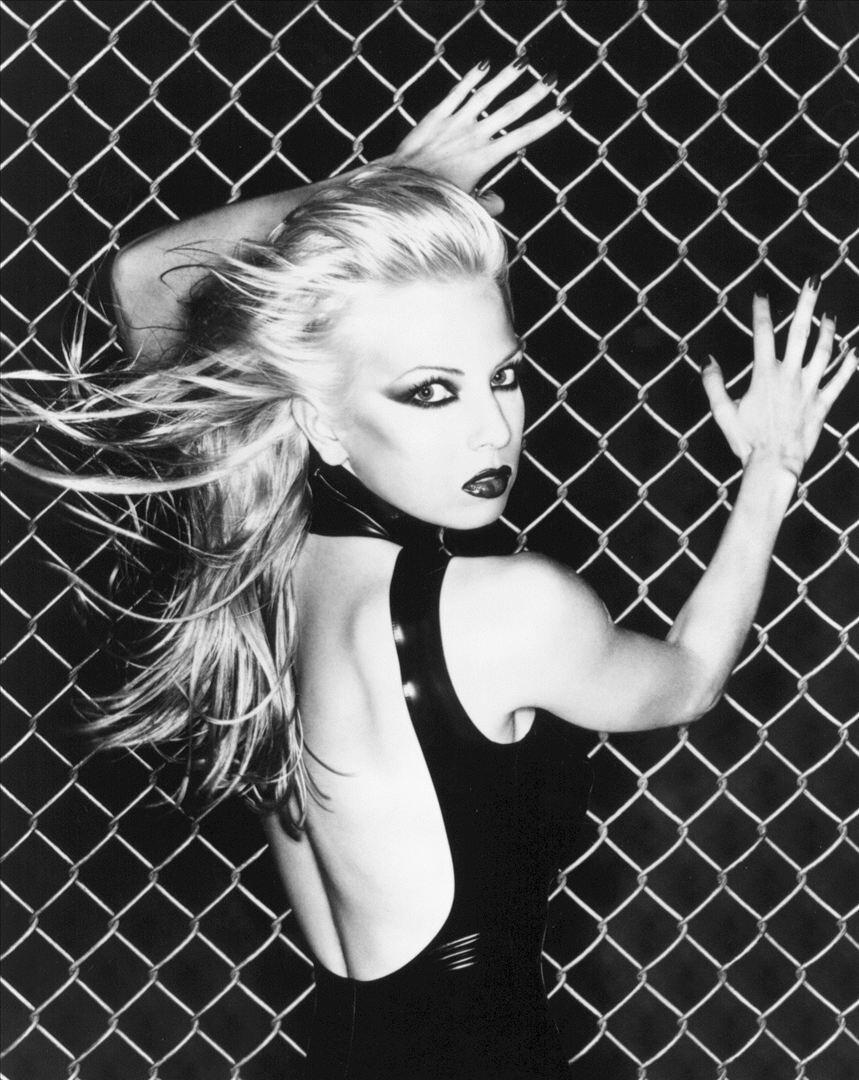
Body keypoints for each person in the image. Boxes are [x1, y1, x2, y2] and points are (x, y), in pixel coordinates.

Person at [3, 61, 855, 1080]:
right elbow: (687, 680)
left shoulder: (254, 552)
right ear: (320, 420)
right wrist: (769, 471)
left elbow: (147, 279)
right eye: (429, 392)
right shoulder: (510, 609)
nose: (493, 429)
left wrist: (381, 184)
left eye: (504, 376)